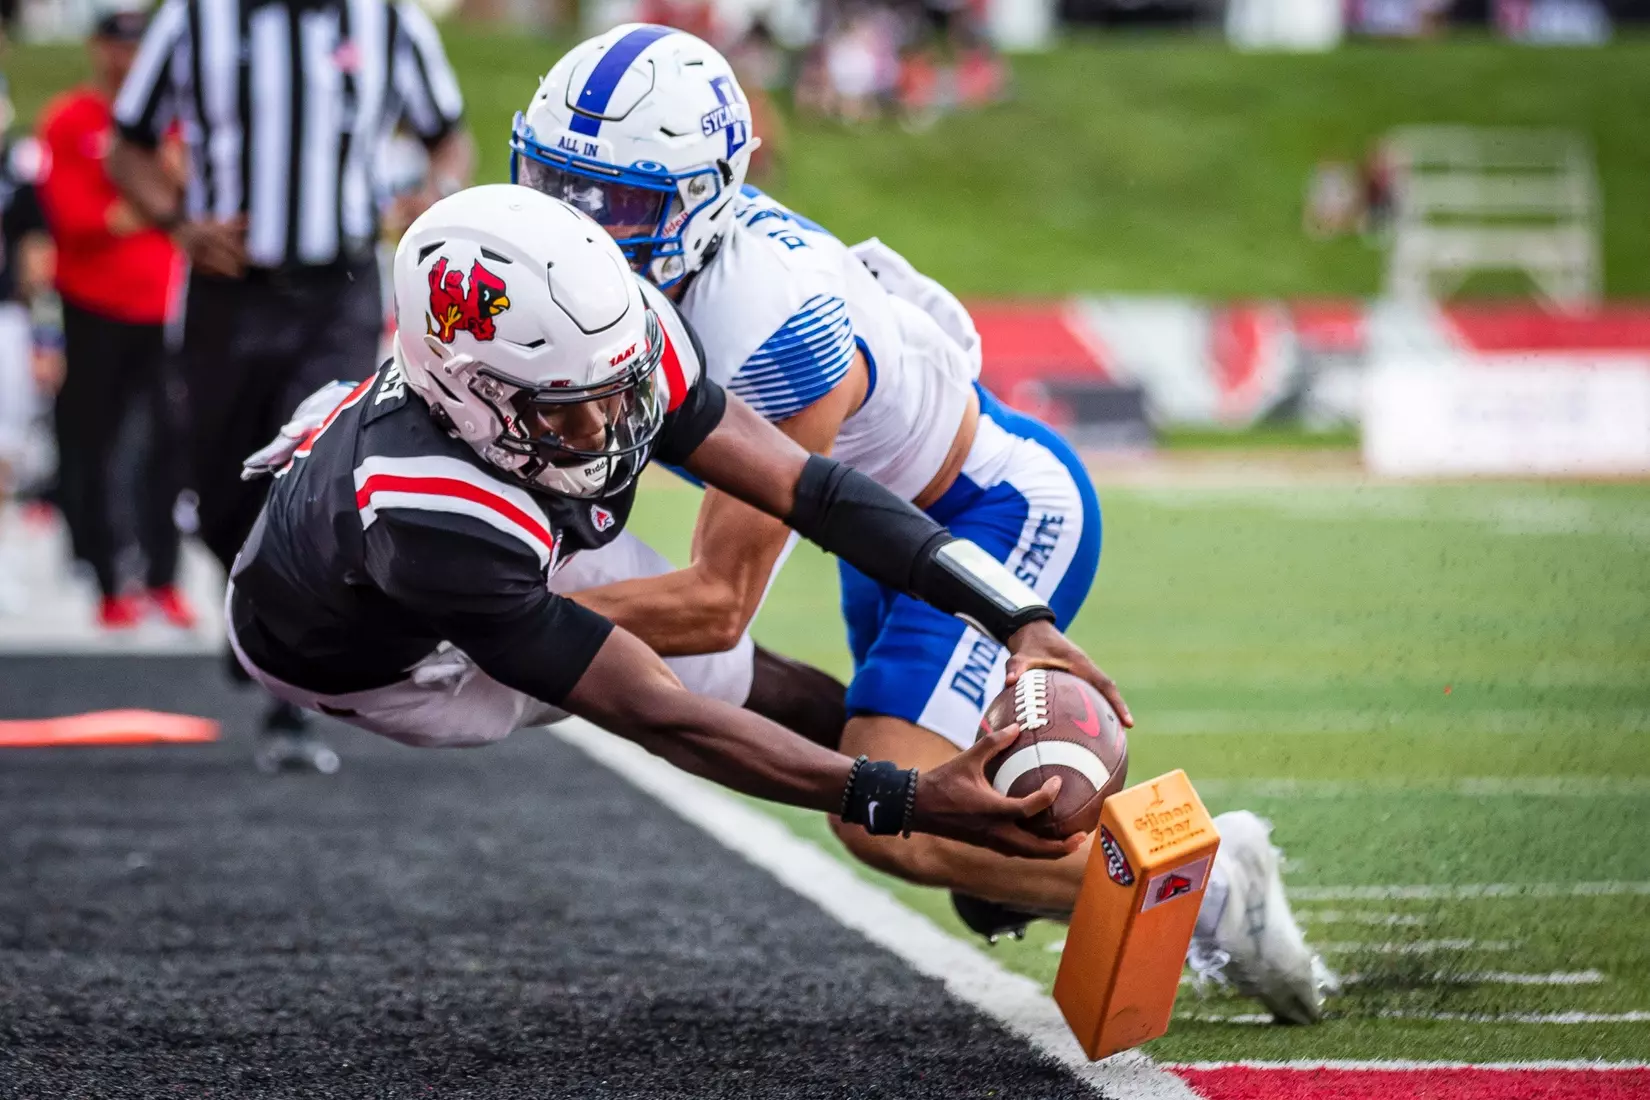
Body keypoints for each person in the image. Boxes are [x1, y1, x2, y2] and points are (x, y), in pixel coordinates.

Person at [510, 26, 1337, 1024]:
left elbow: (716, 605)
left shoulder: (768, 328)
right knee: (911, 793)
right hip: (885, 529)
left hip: (982, 510)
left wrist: (483, 615)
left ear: (701, 203)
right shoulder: (645, 275)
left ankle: (1208, 891)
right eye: (554, 182)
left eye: (620, 200)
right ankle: (1129, 849)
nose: (577, 223)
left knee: (884, 814)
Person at [229, 183, 1113, 866]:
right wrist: (907, 800)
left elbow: (814, 492)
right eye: (566, 410)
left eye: (618, 393)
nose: (608, 430)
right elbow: (664, 718)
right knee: (695, 679)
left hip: (458, 507)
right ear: (472, 395)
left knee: (714, 660)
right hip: (371, 661)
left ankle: (942, 778)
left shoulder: (617, 336)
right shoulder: (439, 526)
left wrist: (1015, 615)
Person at [106, 0, 475, 771]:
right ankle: (246, 593)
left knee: (309, 468)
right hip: (227, 291)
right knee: (218, 489)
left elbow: (449, 133)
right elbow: (128, 145)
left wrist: (433, 195)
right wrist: (177, 222)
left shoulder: (388, 20)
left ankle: (288, 697)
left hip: (337, 287)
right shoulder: (194, 19)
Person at [36, 2, 192, 631]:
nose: (126, 58)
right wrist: (150, 200)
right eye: (117, 45)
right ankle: (105, 575)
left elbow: (184, 192)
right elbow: (76, 222)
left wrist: (138, 199)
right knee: (95, 444)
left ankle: (163, 576)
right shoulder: (70, 120)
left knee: (170, 445)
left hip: (163, 305)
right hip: (93, 304)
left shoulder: (172, 117)